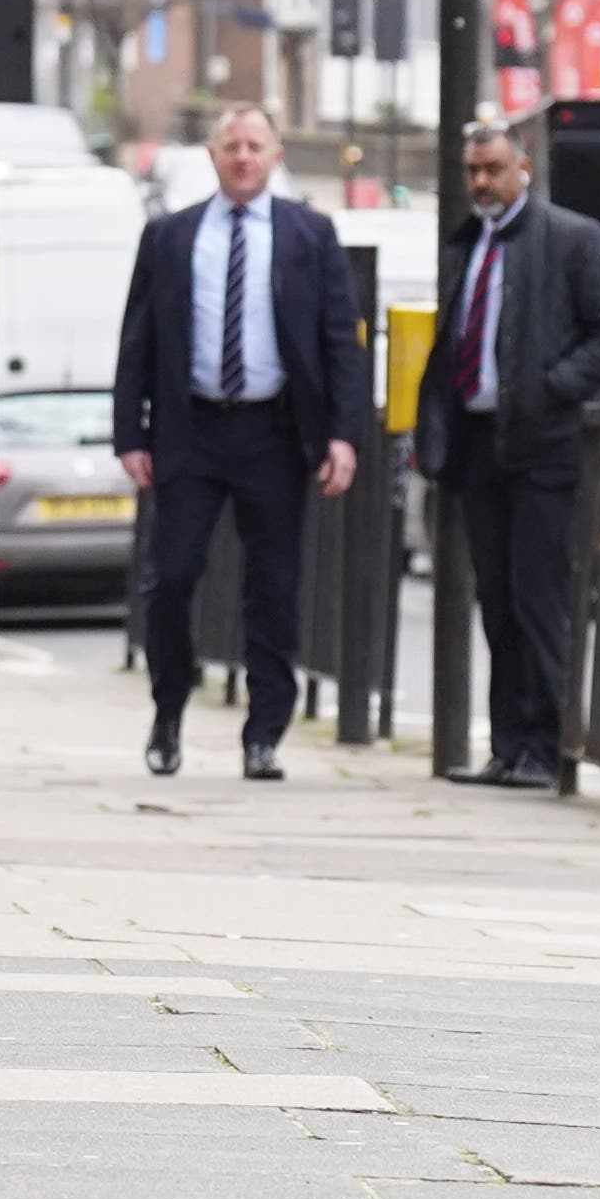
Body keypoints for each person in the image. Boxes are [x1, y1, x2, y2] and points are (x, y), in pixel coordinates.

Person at [113, 103, 363, 783]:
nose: (244, 157)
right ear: (213, 155)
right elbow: (137, 338)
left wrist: (342, 433)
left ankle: (265, 733)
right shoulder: (170, 236)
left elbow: (340, 340)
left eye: (256, 145)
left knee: (273, 587)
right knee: (171, 577)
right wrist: (129, 432)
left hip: (274, 432)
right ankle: (168, 711)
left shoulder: (310, 234)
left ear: (277, 154)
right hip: (189, 430)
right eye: (232, 146)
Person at [421, 122, 600, 790]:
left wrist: (550, 387)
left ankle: (548, 747)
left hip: (545, 450)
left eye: (492, 168)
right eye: (471, 171)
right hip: (481, 446)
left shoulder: (572, 237)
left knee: (540, 600)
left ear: (523, 166)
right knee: (497, 600)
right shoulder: (471, 244)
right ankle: (510, 746)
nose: (480, 182)